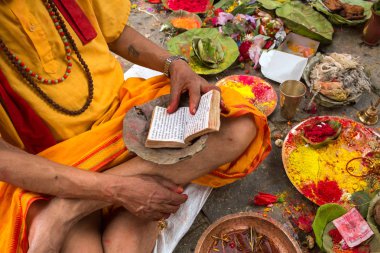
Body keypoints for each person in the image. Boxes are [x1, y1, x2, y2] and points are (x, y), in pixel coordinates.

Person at [0, 0, 271, 252]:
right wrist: (116, 190)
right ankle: (132, 186)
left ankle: (68, 208)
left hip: (123, 113)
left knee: (240, 125)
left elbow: (114, 33)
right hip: (58, 163)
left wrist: (174, 64)